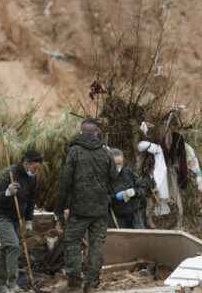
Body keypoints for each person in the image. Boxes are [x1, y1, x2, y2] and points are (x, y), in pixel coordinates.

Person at [53, 119, 117, 293]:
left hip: (79, 209)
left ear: (81, 133)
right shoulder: (105, 153)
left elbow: (65, 182)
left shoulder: (75, 151)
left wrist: (58, 210)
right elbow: (114, 178)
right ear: (96, 134)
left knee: (72, 242)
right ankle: (92, 285)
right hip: (100, 210)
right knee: (96, 245)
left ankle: (74, 285)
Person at [0, 149, 41, 293]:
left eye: (38, 168)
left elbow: (32, 200)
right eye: (34, 168)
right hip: (0, 214)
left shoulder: (32, 178)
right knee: (13, 246)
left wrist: (29, 220)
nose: (35, 171)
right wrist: (6, 193)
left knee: (5, 249)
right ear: (26, 163)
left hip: (16, 216)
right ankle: (13, 285)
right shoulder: (8, 174)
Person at [108, 149, 146, 229]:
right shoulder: (104, 177)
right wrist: (115, 197)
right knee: (121, 240)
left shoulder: (129, 173)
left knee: (140, 238)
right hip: (116, 216)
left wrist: (135, 192)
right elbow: (100, 200)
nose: (118, 166)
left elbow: (143, 189)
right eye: (116, 164)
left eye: (120, 164)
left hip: (134, 215)